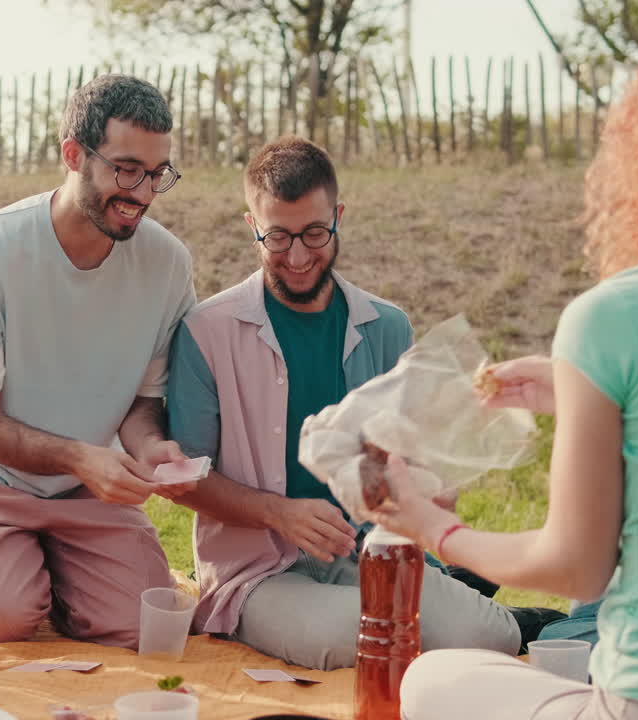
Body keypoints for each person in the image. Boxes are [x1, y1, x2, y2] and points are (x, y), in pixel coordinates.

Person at [367, 20, 638, 719]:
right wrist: (581, 391)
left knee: (430, 682)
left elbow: (577, 566)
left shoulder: (616, 317)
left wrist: (434, 529)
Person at [166, 136, 537, 671]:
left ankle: (473, 607)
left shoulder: (388, 326)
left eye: (315, 233)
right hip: (261, 575)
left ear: (338, 216)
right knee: (361, 638)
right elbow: (186, 479)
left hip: (370, 554)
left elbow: (408, 455)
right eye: (277, 236)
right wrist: (280, 514)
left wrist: (432, 485)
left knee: (486, 636)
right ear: (251, 225)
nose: (297, 256)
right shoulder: (206, 331)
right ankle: (446, 596)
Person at [0, 75, 197, 649]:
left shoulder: (167, 264)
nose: (141, 191)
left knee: (140, 626)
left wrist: (149, 448)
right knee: (1, 621)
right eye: (125, 168)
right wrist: (82, 458)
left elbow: (142, 402)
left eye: (157, 173)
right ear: (73, 154)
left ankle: (57, 570)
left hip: (84, 488)